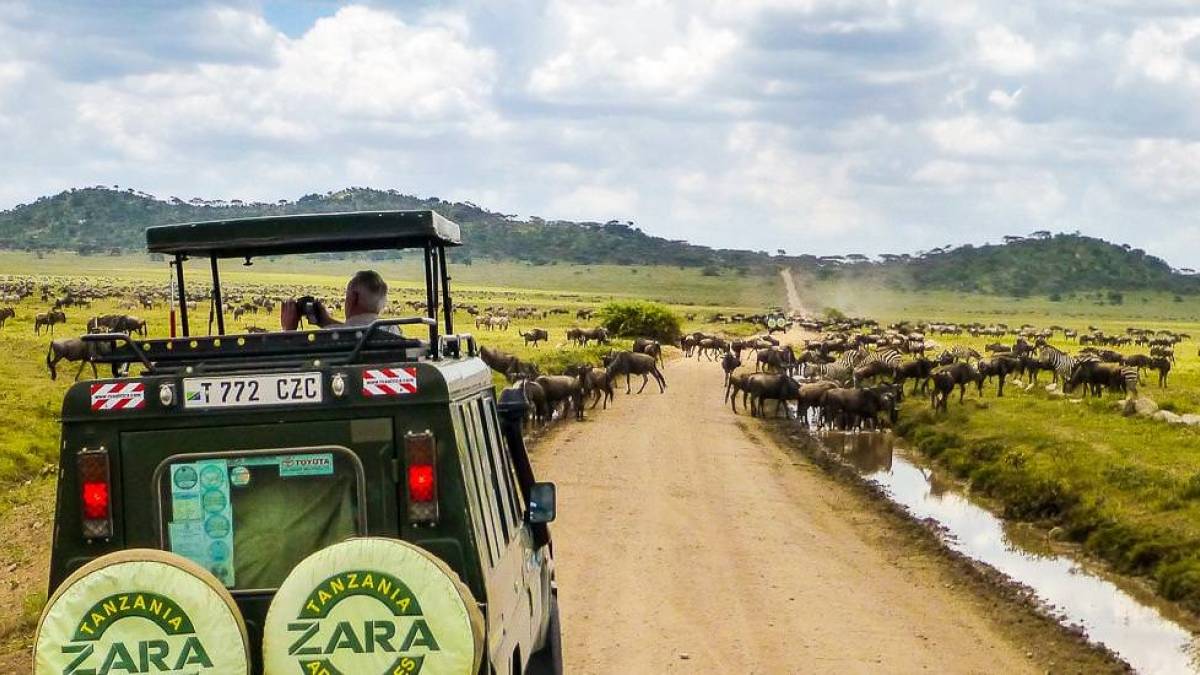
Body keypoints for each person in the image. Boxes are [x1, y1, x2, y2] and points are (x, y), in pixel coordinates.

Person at [280, 270, 390, 331]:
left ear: (353, 297)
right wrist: (326, 321)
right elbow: (356, 329)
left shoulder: (330, 336)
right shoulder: (393, 329)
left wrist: (288, 329)